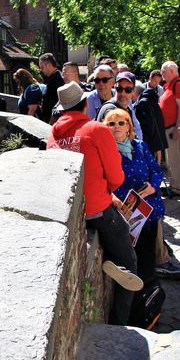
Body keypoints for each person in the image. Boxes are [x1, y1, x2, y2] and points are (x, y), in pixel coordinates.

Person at [47, 82, 142, 325]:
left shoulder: (53, 135)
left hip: (67, 211)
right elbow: (116, 177)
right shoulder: (97, 130)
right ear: (86, 104)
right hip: (97, 210)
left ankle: (109, 260)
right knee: (129, 261)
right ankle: (122, 323)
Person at [104, 108, 165, 283]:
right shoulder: (106, 151)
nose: (117, 127)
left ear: (128, 126)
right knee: (129, 258)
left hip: (148, 210)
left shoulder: (140, 146)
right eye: (111, 124)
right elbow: (101, 180)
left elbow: (156, 170)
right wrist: (112, 197)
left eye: (121, 122)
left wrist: (153, 187)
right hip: (123, 211)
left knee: (147, 256)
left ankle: (147, 297)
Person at [159, 61, 180, 195]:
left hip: (175, 128)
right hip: (169, 128)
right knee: (171, 159)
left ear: (172, 71)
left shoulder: (179, 85)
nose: (162, 74)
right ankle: (174, 185)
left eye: (163, 72)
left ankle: (178, 188)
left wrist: (177, 127)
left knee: (175, 159)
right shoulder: (169, 86)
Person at [96, 72, 144, 139]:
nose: (123, 93)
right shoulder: (110, 109)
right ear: (115, 88)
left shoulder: (128, 109)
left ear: (133, 91)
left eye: (128, 90)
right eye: (119, 89)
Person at [39, 53, 64, 122]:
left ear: (49, 65)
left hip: (54, 120)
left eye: (42, 67)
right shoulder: (53, 77)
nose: (41, 70)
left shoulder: (57, 79)